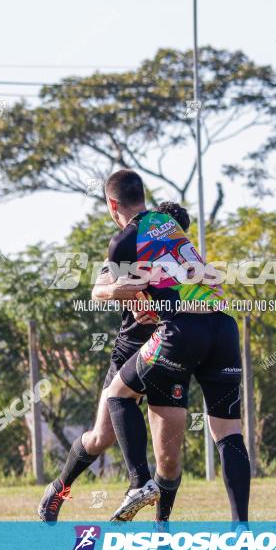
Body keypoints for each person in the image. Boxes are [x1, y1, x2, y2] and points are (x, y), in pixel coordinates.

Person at [98, 169, 251, 526]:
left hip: (182, 329)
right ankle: (240, 531)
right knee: (229, 434)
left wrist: (105, 290)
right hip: (223, 326)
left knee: (118, 395)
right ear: (143, 196)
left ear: (112, 203)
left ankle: (139, 482)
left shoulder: (124, 239)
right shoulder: (169, 224)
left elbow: (120, 289)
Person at [37, 200, 192, 524]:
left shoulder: (187, 264)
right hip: (129, 352)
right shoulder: (132, 249)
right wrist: (128, 291)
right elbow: (100, 287)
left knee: (169, 459)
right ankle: (59, 488)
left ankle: (161, 532)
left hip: (169, 355)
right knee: (99, 438)